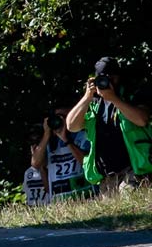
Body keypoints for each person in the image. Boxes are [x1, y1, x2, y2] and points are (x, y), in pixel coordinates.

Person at [66, 56, 152, 193]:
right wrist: (86, 97)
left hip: (133, 171)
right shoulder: (93, 103)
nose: (108, 81)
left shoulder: (132, 95)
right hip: (106, 178)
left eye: (112, 77)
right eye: (103, 78)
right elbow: (71, 126)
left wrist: (113, 98)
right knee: (114, 214)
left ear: (119, 77)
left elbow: (141, 119)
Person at [30, 108, 92, 201]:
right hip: (60, 202)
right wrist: (47, 134)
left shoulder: (83, 136)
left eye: (64, 117)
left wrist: (66, 140)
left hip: (85, 196)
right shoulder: (47, 142)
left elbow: (86, 162)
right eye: (58, 117)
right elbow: (36, 164)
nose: (61, 121)